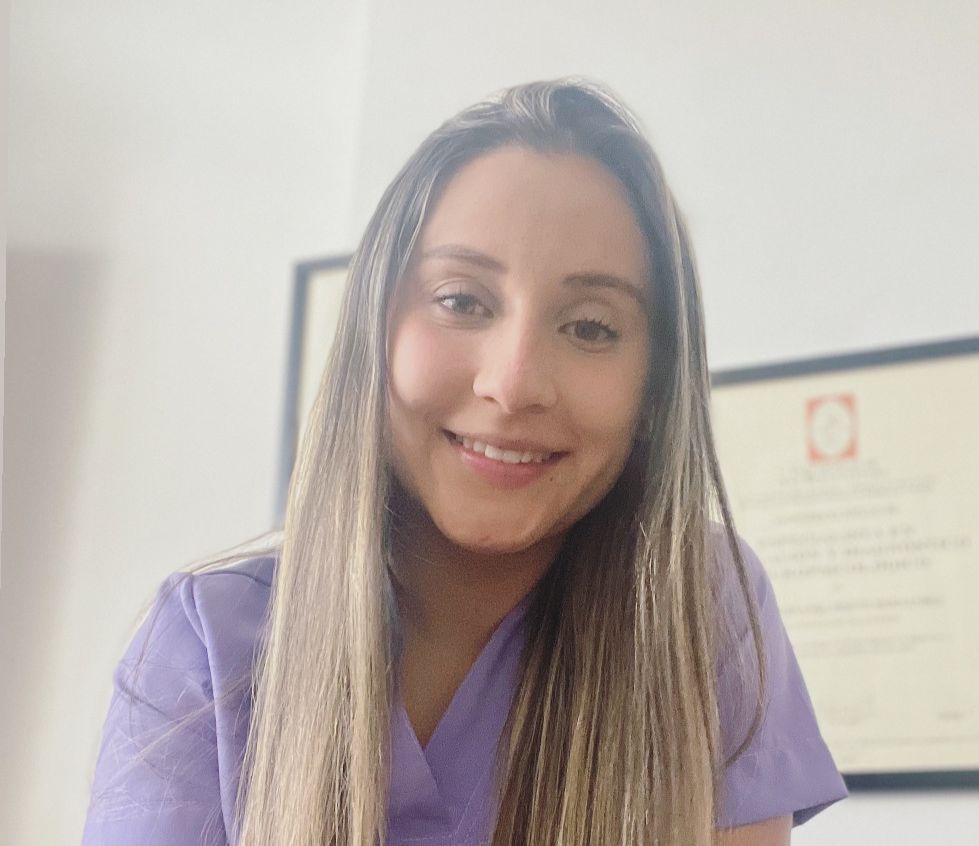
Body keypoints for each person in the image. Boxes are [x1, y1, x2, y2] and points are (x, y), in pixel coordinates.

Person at [81, 78, 847, 846]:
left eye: (589, 327)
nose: (512, 385)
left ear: (654, 386)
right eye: (461, 301)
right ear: (375, 329)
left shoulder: (697, 608)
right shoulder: (207, 647)